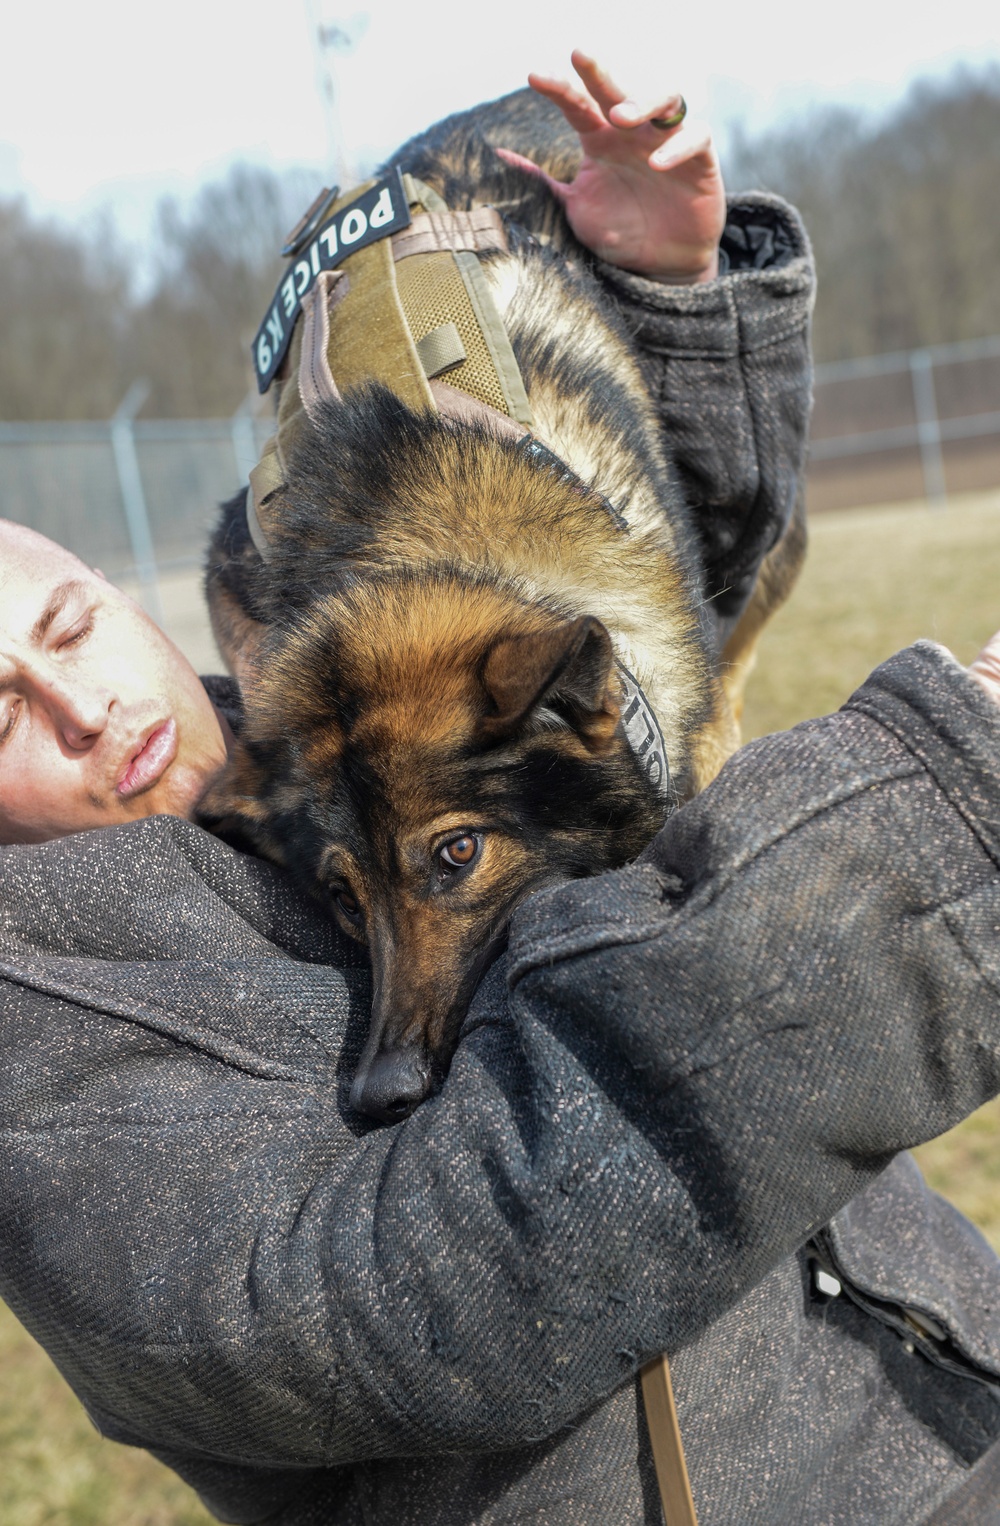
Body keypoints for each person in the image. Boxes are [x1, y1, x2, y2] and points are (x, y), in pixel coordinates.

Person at [1, 52, 1000, 1525]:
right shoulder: (39, 1029)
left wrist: (667, 299)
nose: (83, 709)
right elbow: (426, 1301)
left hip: (938, 1372)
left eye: (69, 625)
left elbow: (653, 663)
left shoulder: (317, 697)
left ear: (116, 590)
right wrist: (939, 798)